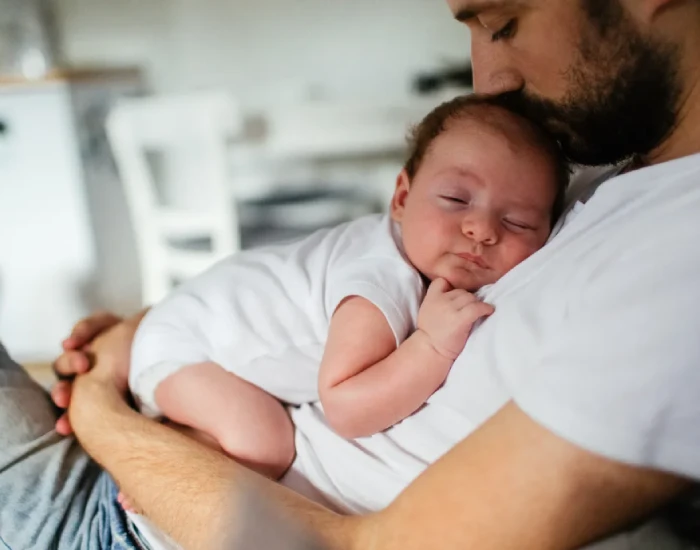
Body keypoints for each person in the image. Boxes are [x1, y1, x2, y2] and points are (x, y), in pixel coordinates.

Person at [2, 0, 700, 548]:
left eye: (504, 21)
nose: (490, 81)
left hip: (118, 519)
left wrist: (100, 410)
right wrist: (144, 335)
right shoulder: (596, 171)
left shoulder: (674, 263)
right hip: (151, 448)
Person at [122, 95, 566, 497]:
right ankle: (154, 469)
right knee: (266, 444)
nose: (482, 230)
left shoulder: (415, 256)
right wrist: (431, 346)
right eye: (455, 198)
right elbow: (347, 410)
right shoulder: (381, 281)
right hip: (184, 345)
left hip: (194, 322)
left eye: (519, 222)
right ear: (402, 199)